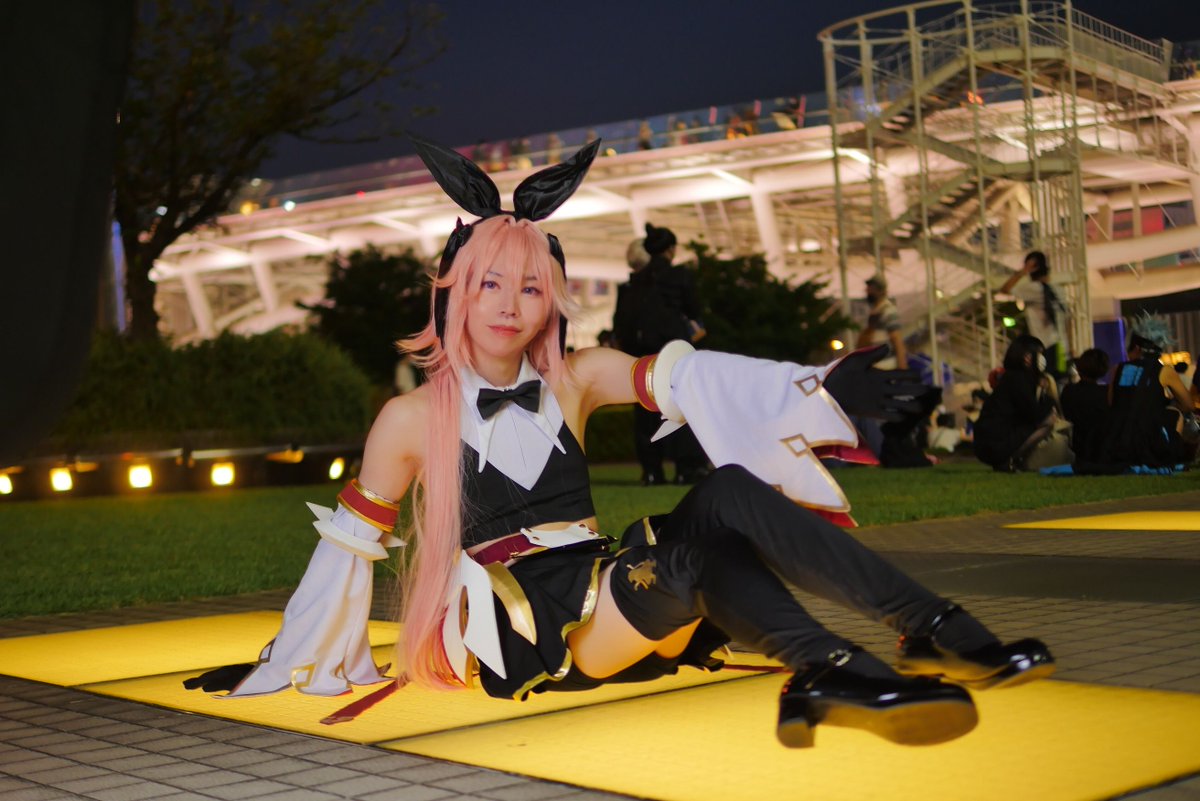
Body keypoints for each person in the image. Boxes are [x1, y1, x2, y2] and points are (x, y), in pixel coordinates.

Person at [185, 135, 1054, 749]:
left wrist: (815, 387)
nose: (509, 304)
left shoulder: (577, 377)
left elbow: (695, 378)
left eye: (531, 287)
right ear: (453, 291)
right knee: (691, 559)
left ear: (552, 299)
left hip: (607, 583)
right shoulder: (409, 419)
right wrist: (288, 655)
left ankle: (922, 624)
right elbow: (347, 550)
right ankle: (825, 663)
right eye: (489, 284)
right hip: (522, 623)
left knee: (728, 494)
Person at [612, 223, 709, 485]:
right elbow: (694, 310)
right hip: (673, 353)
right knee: (680, 409)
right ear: (671, 249)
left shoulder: (632, 283)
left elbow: (621, 322)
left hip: (642, 357)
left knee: (645, 413)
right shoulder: (679, 276)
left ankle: (652, 471)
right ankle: (686, 468)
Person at [1094, 315, 1195, 470]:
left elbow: (1111, 402)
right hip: (1150, 440)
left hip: (1116, 438)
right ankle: (1171, 452)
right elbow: (1188, 405)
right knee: (1175, 414)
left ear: (1136, 348)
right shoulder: (1165, 371)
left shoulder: (1118, 368)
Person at [973, 335, 1061, 472]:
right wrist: (1048, 397)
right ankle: (1010, 460)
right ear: (1027, 358)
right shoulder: (1018, 379)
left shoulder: (1011, 377)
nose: (1042, 358)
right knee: (1049, 420)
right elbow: (1035, 415)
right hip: (995, 444)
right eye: (1039, 353)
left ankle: (1009, 460)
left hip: (988, 442)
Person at [999, 251, 1069, 380]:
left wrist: (1023, 271)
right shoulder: (1058, 290)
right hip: (1061, 346)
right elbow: (1065, 319)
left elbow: (1005, 289)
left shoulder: (1033, 288)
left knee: (1041, 381)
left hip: (1043, 346)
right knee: (1058, 382)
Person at [1060, 348, 1109, 464]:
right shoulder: (1106, 393)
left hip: (1074, 446)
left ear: (1079, 368)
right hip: (1101, 449)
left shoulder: (1069, 390)